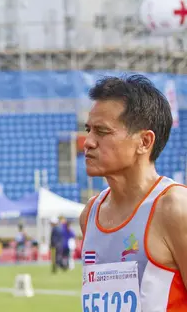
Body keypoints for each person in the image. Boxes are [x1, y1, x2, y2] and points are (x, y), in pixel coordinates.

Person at [80, 74, 187, 309]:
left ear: (145, 142)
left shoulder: (175, 207)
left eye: (102, 131)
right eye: (88, 130)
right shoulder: (90, 214)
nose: (87, 142)